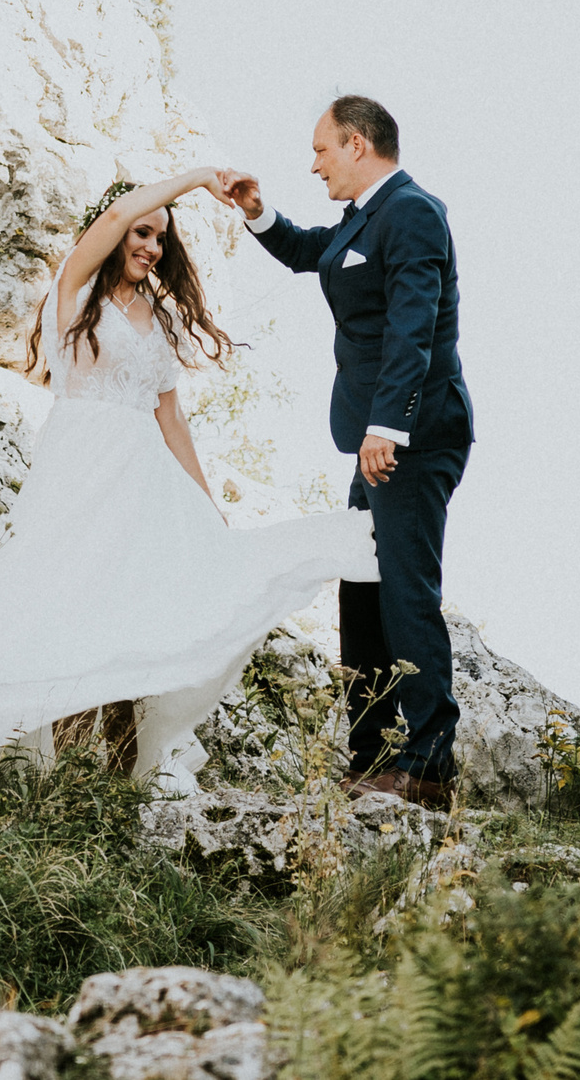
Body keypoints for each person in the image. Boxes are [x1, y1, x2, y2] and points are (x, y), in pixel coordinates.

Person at [0, 166, 379, 792]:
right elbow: (110, 218)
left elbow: (173, 420)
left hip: (146, 482)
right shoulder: (74, 292)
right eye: (141, 232)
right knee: (46, 601)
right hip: (82, 467)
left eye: (160, 239)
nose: (150, 247)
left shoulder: (157, 317)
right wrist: (192, 181)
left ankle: (125, 765)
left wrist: (206, 503)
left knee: (143, 611)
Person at [224, 96, 471, 811]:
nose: (314, 162)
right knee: (360, 587)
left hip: (413, 437)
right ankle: (369, 753)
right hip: (377, 441)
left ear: (358, 144)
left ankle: (426, 764)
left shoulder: (414, 211)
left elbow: (413, 324)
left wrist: (389, 426)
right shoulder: (362, 218)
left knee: (404, 586)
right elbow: (315, 255)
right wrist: (258, 213)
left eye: (322, 149)